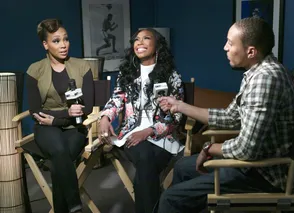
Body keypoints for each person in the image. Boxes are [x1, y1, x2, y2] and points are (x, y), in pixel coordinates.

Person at [157, 17, 294, 213]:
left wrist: (209, 147)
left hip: (266, 175)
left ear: (251, 51)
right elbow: (230, 117)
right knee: (182, 167)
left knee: (171, 199)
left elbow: (247, 149)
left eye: (230, 43)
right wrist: (179, 106)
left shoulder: (265, 79)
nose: (225, 48)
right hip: (255, 165)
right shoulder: (256, 72)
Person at [98, 28, 184, 213]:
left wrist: (149, 131)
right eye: (136, 39)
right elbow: (117, 99)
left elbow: (176, 117)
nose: (140, 42)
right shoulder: (127, 74)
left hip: (163, 136)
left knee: (146, 165)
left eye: (146, 38)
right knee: (146, 159)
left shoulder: (172, 76)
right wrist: (105, 117)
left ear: (158, 45)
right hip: (131, 133)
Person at [26, 19, 94, 213]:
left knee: (59, 159)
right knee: (59, 150)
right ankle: (75, 205)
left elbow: (87, 106)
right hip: (46, 127)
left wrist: (57, 119)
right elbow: (35, 111)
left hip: (75, 127)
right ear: (45, 45)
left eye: (66, 39)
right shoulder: (35, 70)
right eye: (56, 41)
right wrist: (64, 115)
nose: (63, 45)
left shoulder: (83, 67)